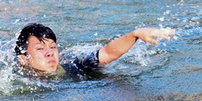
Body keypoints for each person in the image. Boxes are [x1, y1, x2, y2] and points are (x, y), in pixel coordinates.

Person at [14, 23, 175, 76]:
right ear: (23, 59)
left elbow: (107, 53)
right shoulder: (10, 80)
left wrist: (135, 34)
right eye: (40, 49)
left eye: (53, 47)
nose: (49, 53)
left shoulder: (74, 66)